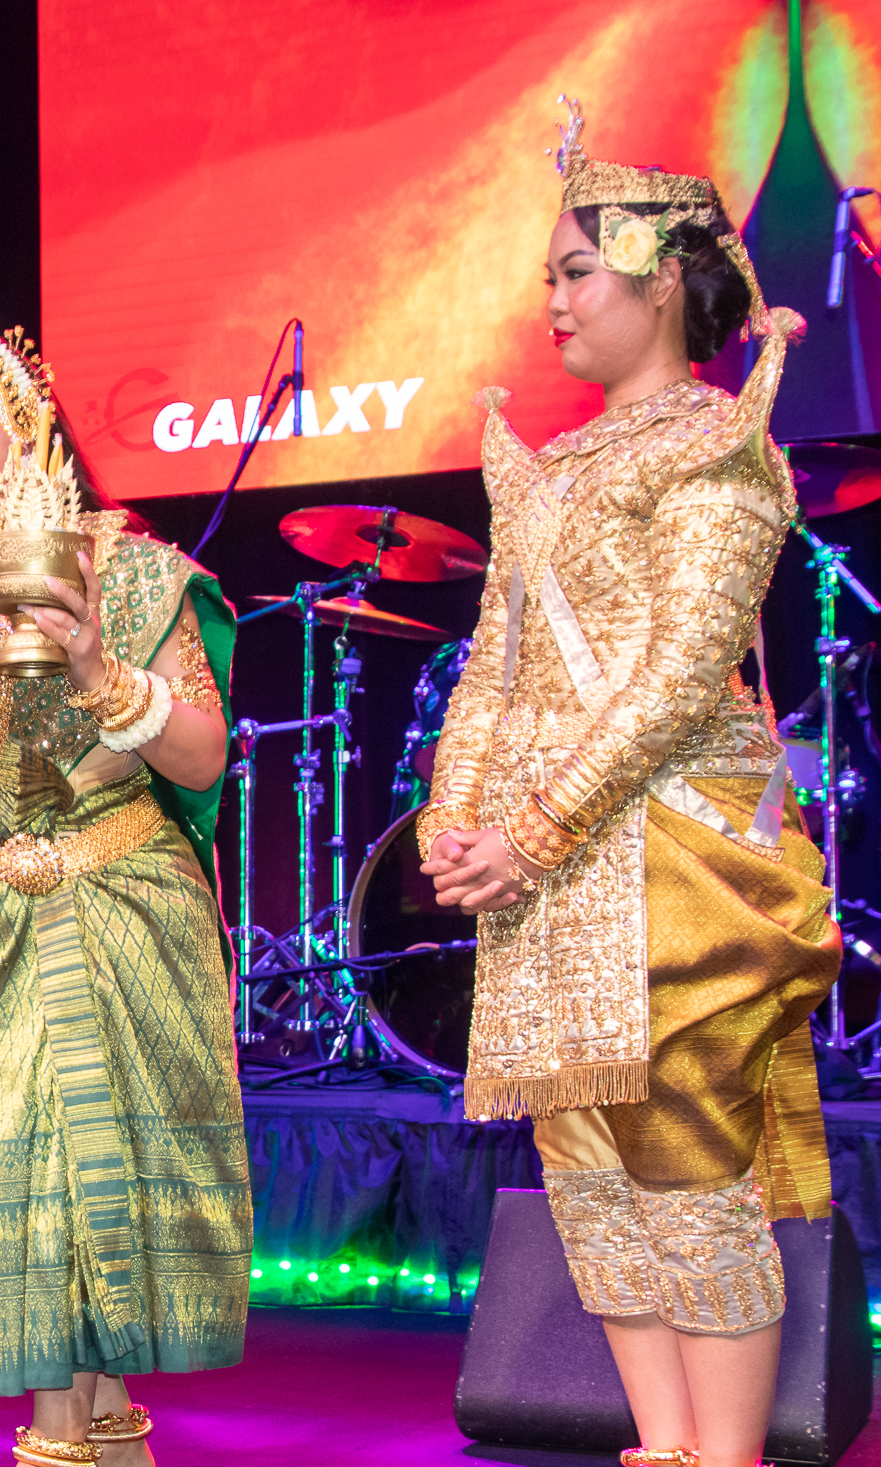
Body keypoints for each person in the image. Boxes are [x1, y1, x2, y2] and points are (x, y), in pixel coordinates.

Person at [419, 100, 837, 1467]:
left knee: (686, 1171)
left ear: (660, 280)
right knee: (590, 1178)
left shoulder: (719, 445)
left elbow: (677, 672)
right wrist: (454, 818)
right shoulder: (551, 468)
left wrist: (532, 828)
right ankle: (662, 1445)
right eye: (548, 275)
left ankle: (729, 1455)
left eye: (574, 271)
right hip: (544, 871)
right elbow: (491, 666)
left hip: (670, 855)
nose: (550, 300)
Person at [0, 297, 251, 1467]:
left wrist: (95, 665)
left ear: (24, 427)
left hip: (125, 895)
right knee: (15, 1177)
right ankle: (85, 1431)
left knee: (109, 1175)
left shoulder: (127, 568)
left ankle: (76, 1432)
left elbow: (201, 756)